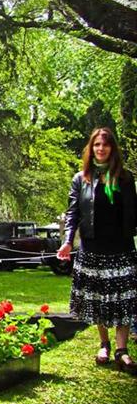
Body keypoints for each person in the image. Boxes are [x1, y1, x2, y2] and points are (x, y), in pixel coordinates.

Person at [57, 127, 136, 375]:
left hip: (120, 246)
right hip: (92, 246)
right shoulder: (81, 179)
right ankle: (104, 343)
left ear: (112, 149)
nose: (101, 149)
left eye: (105, 145)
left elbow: (133, 213)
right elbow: (73, 214)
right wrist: (68, 241)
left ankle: (122, 350)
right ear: (90, 149)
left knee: (123, 298)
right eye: (96, 145)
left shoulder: (125, 177)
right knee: (98, 298)